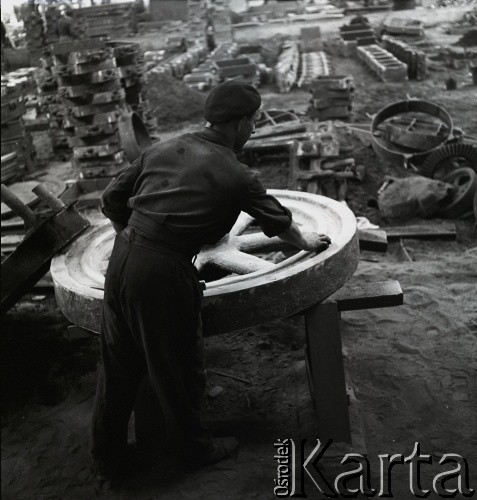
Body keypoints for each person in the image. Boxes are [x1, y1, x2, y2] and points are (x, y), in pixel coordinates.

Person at [91, 81, 331, 487]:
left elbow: (112, 201)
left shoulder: (165, 147)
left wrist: (135, 243)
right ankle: (193, 450)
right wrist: (309, 242)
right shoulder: (237, 175)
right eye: (254, 122)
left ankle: (107, 460)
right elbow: (282, 224)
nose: (255, 129)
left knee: (118, 367)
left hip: (122, 262)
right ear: (238, 124)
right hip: (164, 274)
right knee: (175, 366)